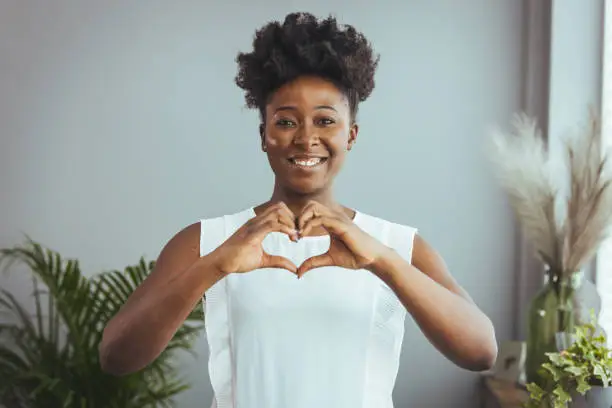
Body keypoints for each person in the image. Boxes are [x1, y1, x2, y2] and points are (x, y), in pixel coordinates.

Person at [100, 12, 497, 408]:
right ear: (264, 134)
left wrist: (381, 261)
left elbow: (481, 351)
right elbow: (116, 357)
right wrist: (215, 266)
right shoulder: (210, 241)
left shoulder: (394, 245)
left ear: (351, 135)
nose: (306, 139)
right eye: (286, 121)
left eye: (325, 121)